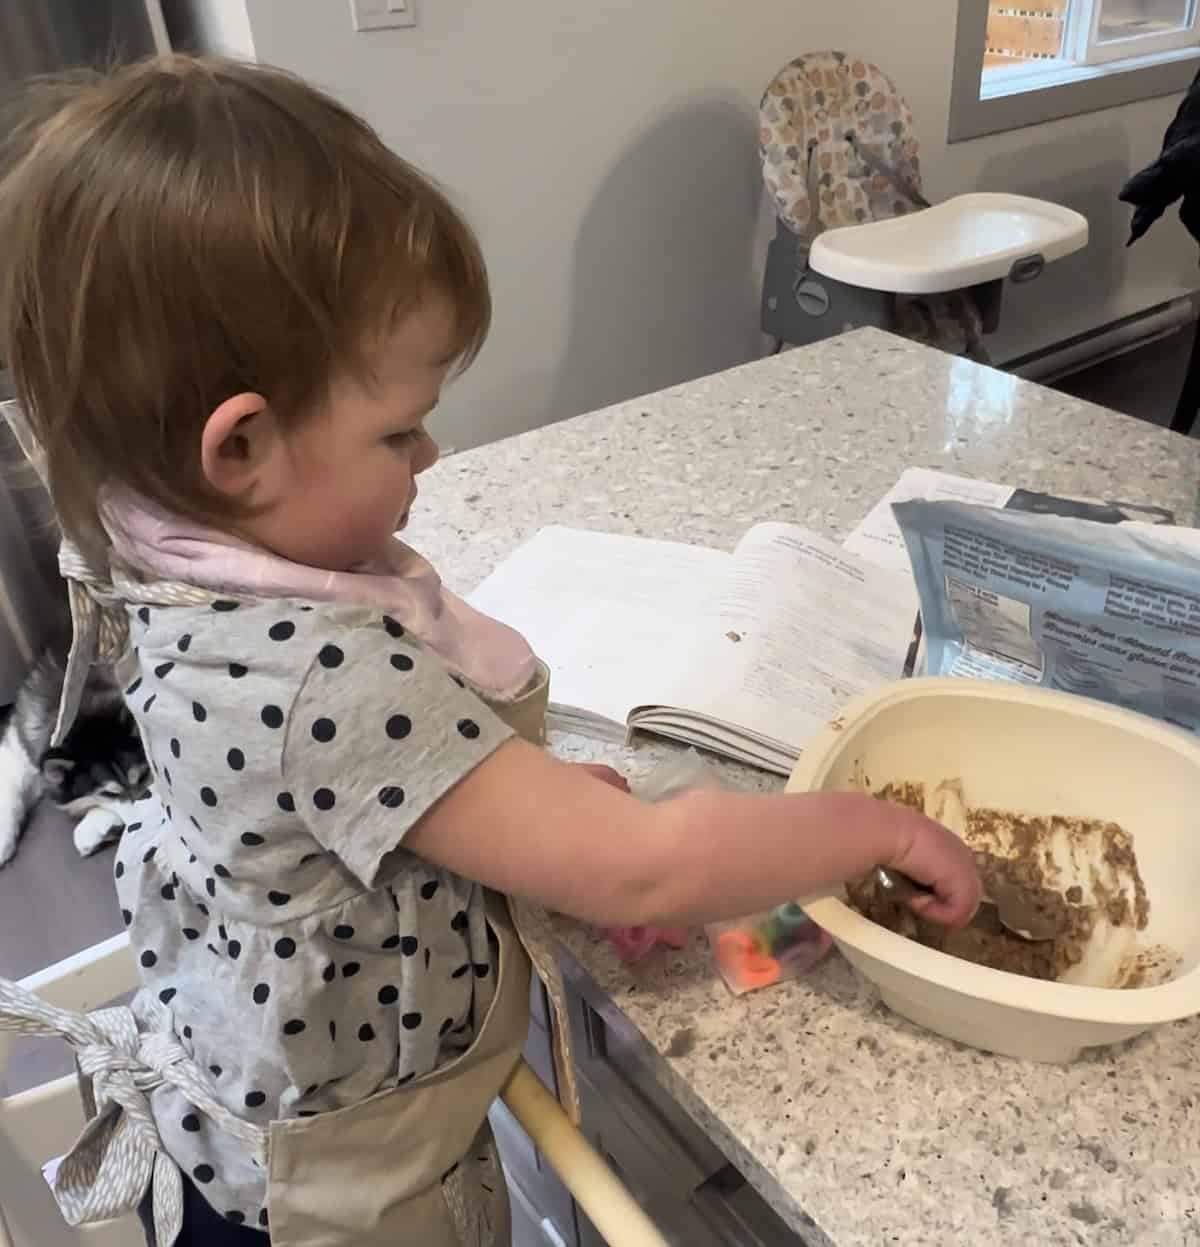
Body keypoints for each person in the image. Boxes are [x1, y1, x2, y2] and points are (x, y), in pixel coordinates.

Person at [0, 55, 980, 1247]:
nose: (432, 456)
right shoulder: (323, 674)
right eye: (399, 427)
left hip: (240, 1102)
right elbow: (645, 866)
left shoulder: (156, 541)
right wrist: (884, 828)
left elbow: (353, 805)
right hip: (333, 1196)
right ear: (241, 445)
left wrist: (525, 804)